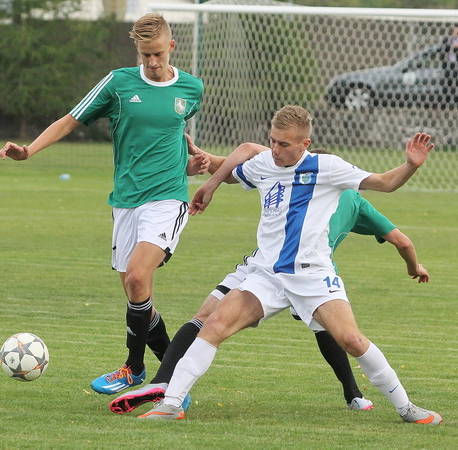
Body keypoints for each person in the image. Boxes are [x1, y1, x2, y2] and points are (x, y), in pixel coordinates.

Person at [137, 105, 441, 425]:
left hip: (312, 274)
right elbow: (228, 166)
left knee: (351, 340)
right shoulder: (264, 164)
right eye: (272, 141)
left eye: (284, 144)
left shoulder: (327, 167)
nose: (275, 149)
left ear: (305, 144)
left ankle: (407, 408)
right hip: (266, 274)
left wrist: (410, 165)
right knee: (214, 325)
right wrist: (207, 173)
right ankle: (171, 405)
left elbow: (385, 182)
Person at [0, 13, 206, 394]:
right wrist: (29, 151)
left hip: (168, 199)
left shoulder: (191, 88)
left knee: (139, 276)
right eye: (145, 55)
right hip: (125, 200)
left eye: (158, 54)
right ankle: (174, 378)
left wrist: (187, 165)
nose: (152, 62)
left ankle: (134, 369)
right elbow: (69, 120)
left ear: (172, 47)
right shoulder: (118, 84)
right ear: (137, 51)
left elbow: (173, 132)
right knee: (136, 293)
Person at [441, 25, 458, 104]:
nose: (457, 32)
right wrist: (453, 46)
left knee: (457, 84)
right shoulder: (447, 39)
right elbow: (444, 48)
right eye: (456, 30)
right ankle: (446, 102)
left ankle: (457, 102)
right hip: (448, 65)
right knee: (447, 84)